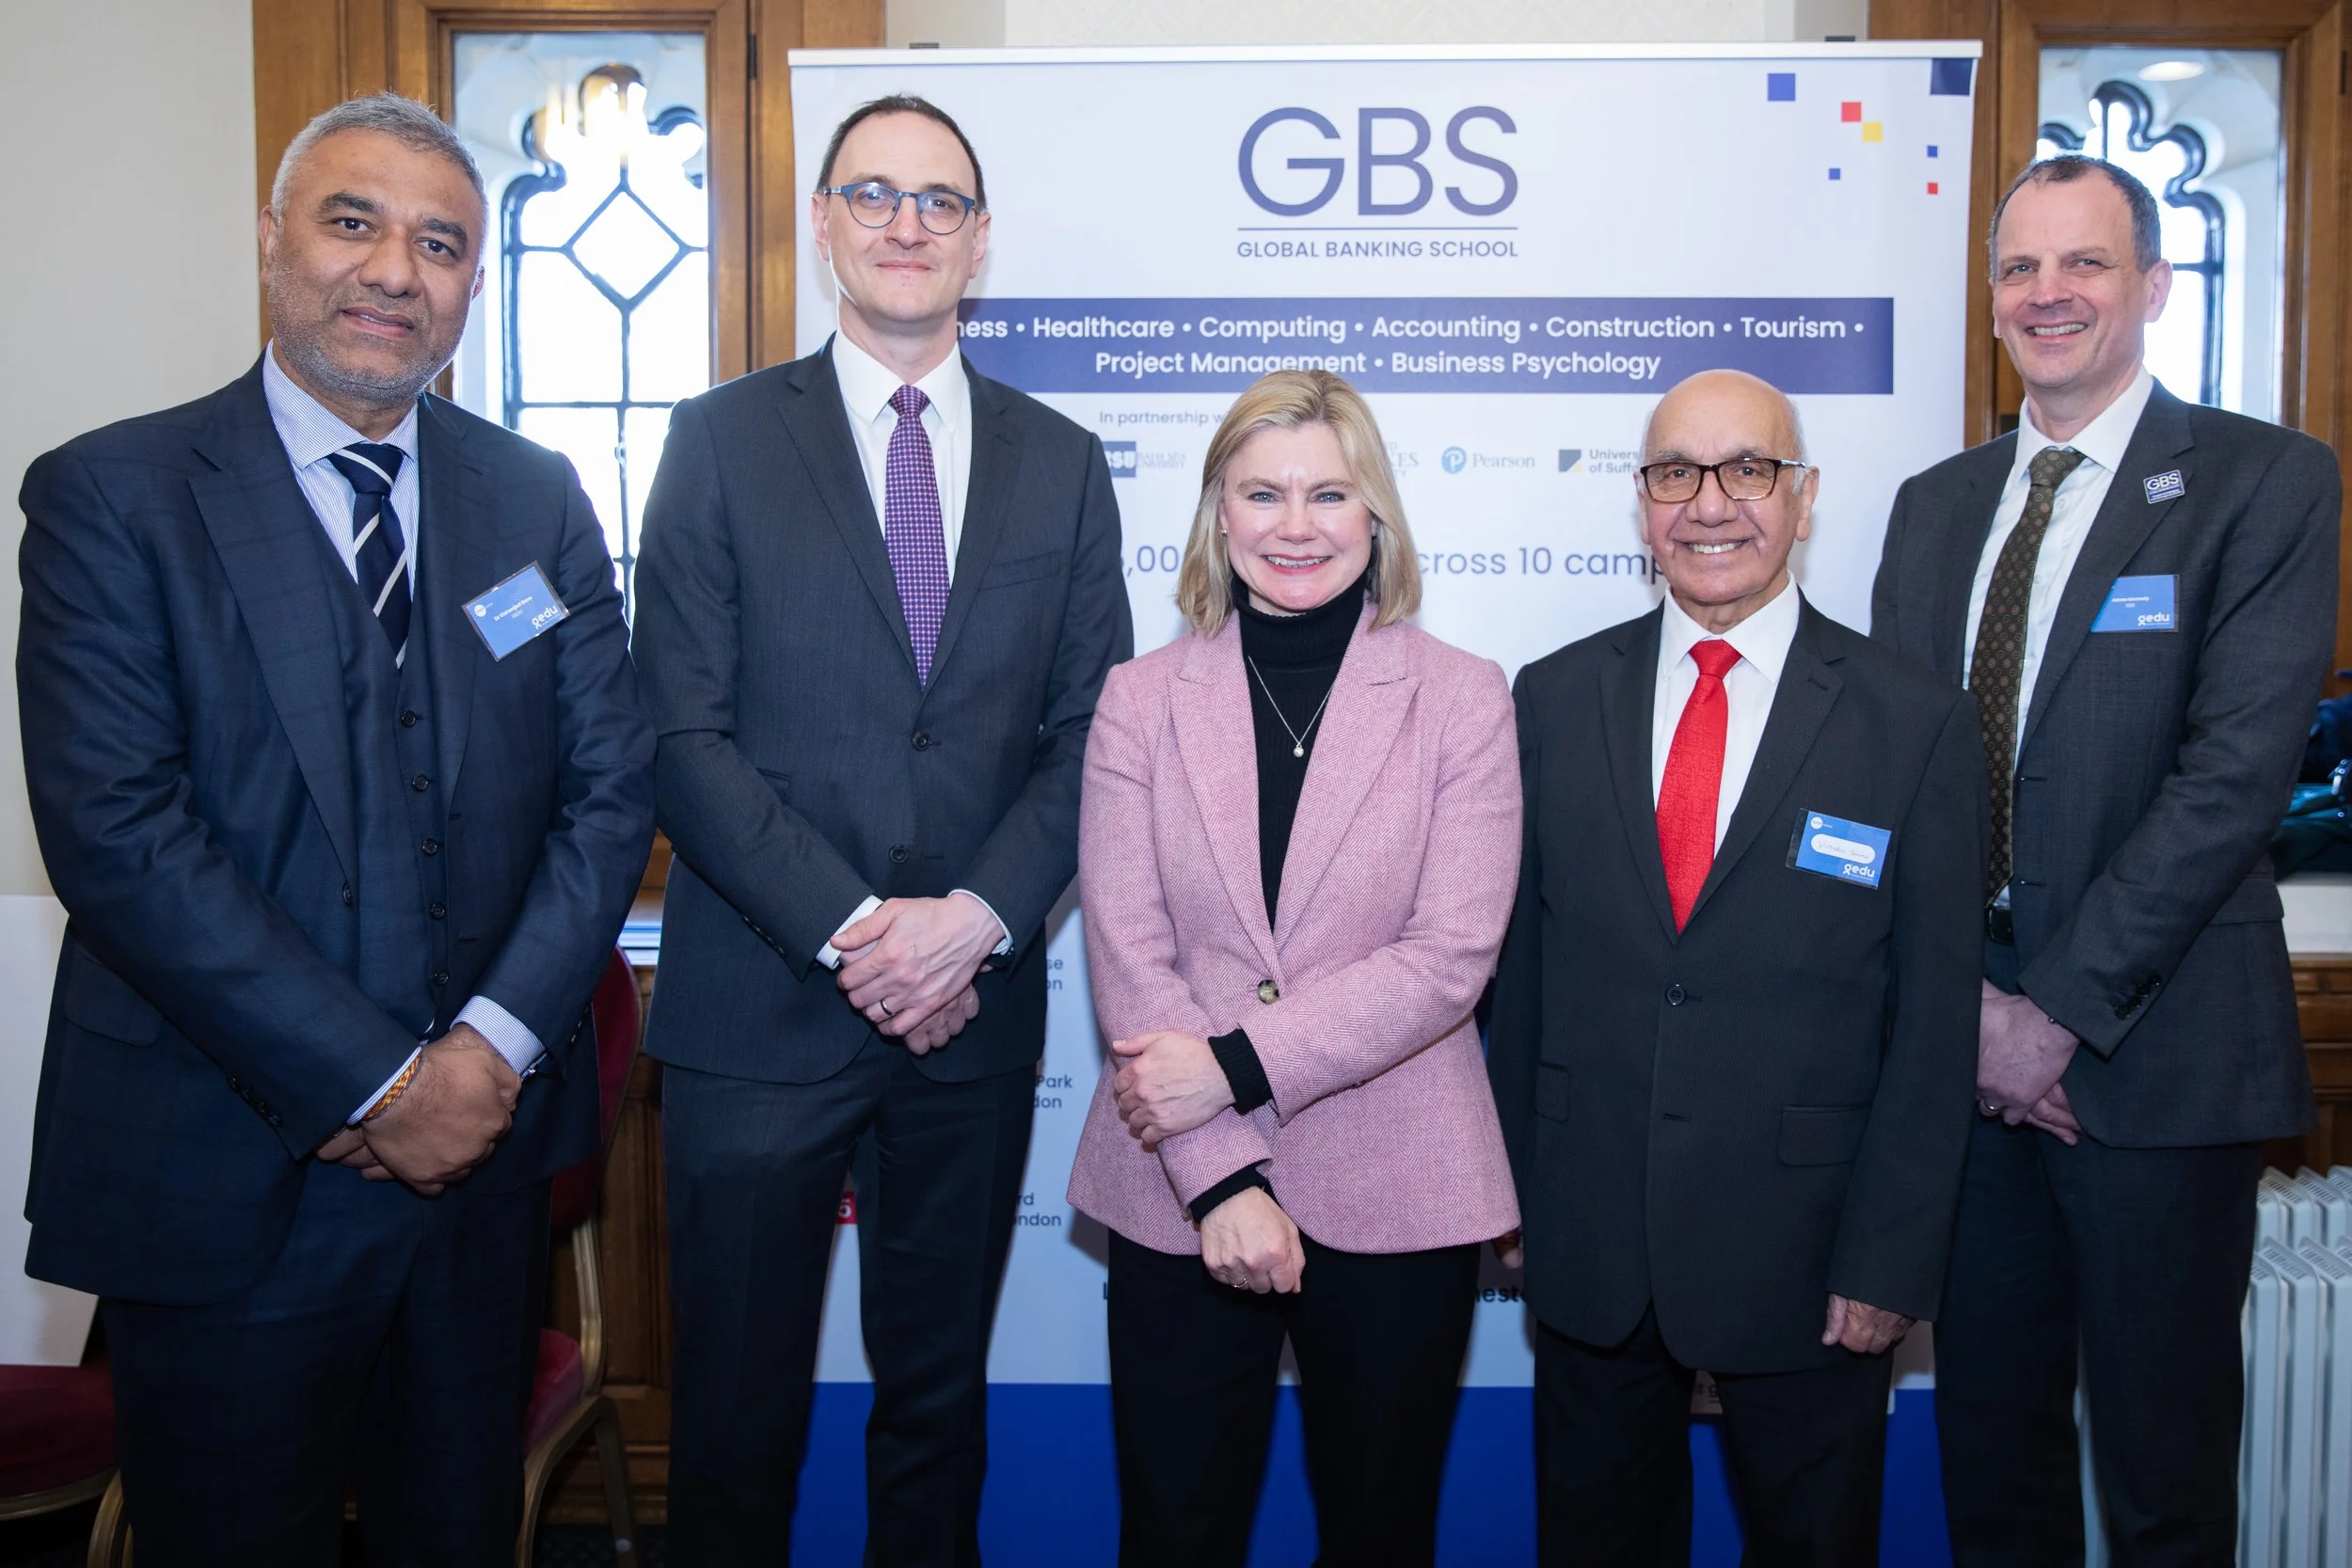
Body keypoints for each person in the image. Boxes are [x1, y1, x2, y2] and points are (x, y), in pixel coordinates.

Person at [15, 94, 654, 1564]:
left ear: (472, 282)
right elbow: (118, 831)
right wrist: (379, 1083)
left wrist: (482, 1055)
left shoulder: (532, 499)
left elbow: (611, 786)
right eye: (352, 222)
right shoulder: (117, 496)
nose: (393, 271)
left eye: (440, 242)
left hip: (478, 1176)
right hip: (223, 1165)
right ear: (270, 240)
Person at [631, 93, 1130, 1565]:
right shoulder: (718, 440)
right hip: (756, 1008)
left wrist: (969, 922)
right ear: (823, 223)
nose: (907, 224)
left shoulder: (1062, 459)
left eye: (939, 201)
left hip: (970, 1015)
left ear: (980, 241)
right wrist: (863, 933)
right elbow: (679, 735)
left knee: (935, 1405)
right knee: (732, 1422)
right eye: (874, 194)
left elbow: (1090, 734)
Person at [1870, 154, 2340, 1566]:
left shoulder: (2261, 481)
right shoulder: (1936, 504)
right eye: (2020, 267)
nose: (2048, 293)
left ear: (2153, 285)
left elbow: (2231, 779)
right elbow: (1896, 780)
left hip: (2157, 1048)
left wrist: (2053, 1014)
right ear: (1991, 299)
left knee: (2163, 1471)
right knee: (1990, 1451)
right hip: (1964, 1053)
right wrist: (1966, 1008)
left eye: (2083, 262)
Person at [1489, 370, 1986, 1567]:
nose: (1709, 504)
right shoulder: (1552, 695)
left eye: (1748, 469)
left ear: (1803, 497)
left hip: (1809, 1259)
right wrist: (1511, 1195)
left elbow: (1932, 1025)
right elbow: (1521, 977)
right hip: (1592, 1242)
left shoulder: (1912, 720)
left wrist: (1888, 1256)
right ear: (1642, 503)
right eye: (1676, 473)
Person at [1066, 369, 1522, 1568]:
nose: (1296, 524)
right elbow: (1128, 950)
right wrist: (1220, 1177)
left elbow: (1449, 958)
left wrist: (1230, 1065)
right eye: (1262, 492)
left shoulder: (1464, 699)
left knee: (1380, 1535)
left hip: (1399, 1177)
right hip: (1177, 1183)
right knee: (1174, 1534)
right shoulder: (1138, 701)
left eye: (1329, 492)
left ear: (1376, 512)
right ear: (1218, 512)